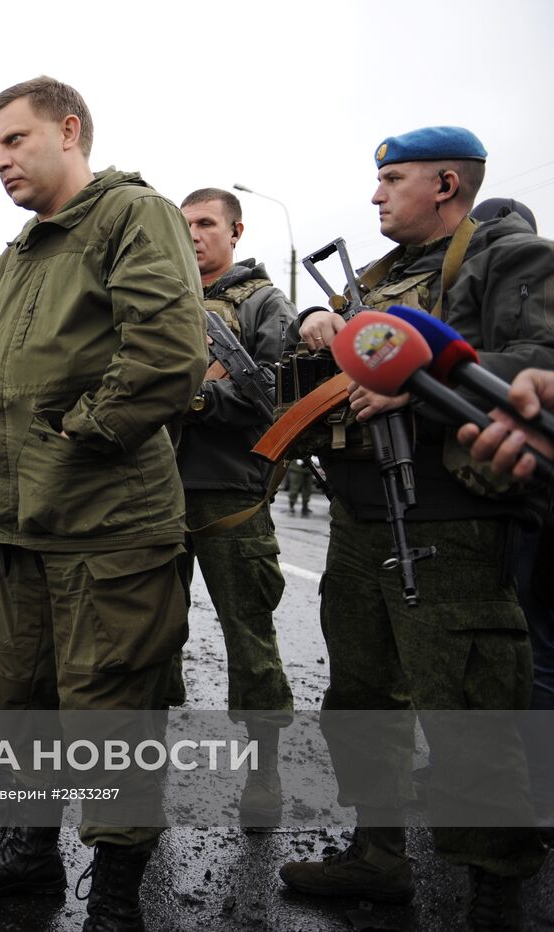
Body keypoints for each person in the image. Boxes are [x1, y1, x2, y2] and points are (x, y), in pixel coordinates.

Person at [0, 76, 207, 931]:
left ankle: (118, 898)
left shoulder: (131, 214)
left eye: (14, 141)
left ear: (69, 129)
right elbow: (0, 377)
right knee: (19, 699)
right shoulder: (21, 251)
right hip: (21, 527)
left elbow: (167, 354)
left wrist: (77, 438)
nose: (1, 161)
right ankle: (30, 856)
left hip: (109, 528)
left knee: (110, 710)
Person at [282, 127, 554, 929]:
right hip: (361, 514)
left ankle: (496, 891)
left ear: (445, 184)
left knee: (470, 708)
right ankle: (378, 853)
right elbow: (324, 355)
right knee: (361, 696)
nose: (374, 196)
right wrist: (314, 324)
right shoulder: (377, 277)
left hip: (453, 516)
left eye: (390, 180)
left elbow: (542, 356)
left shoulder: (510, 257)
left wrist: (419, 378)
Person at [177, 187, 295, 827]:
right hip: (153, 495)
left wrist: (195, 401)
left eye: (205, 223)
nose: (193, 234)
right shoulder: (162, 298)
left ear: (235, 231)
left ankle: (265, 773)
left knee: (250, 641)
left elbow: (278, 394)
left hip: (231, 495)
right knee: (146, 643)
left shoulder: (263, 304)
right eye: (184, 223)